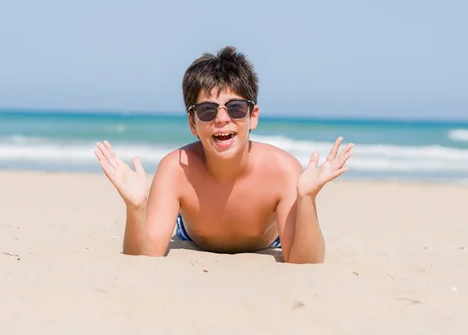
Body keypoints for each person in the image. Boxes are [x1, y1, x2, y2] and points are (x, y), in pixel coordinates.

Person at [94, 46, 353, 263]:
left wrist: (306, 198)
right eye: (207, 110)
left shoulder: (283, 170)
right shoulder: (176, 169)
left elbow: (303, 261)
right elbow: (145, 256)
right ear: (192, 123)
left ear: (253, 117)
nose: (221, 119)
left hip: (268, 235)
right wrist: (136, 207)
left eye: (236, 108)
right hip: (191, 233)